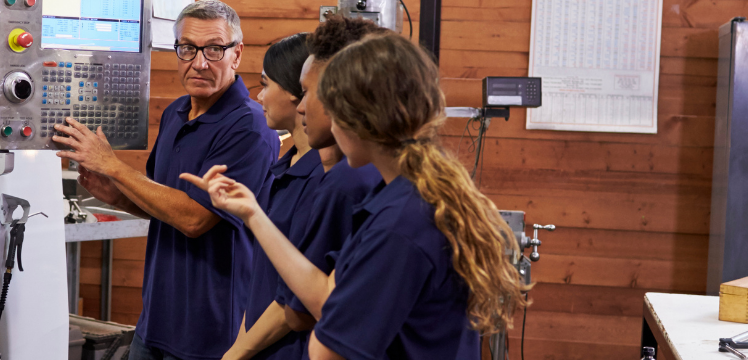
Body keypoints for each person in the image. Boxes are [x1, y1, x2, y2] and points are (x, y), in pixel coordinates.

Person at [183, 34, 530, 359]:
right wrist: (253, 215)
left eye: (327, 104)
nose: (310, 112)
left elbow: (326, 348)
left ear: (358, 115)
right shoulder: (398, 193)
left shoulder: (398, 224)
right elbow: (326, 293)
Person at [51, 1, 280, 359]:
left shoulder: (250, 126)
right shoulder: (176, 112)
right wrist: (117, 196)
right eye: (188, 48)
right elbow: (165, 208)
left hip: (212, 334)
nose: (199, 63)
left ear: (237, 54)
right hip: (156, 322)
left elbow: (194, 219)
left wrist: (113, 166)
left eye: (214, 49)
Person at [222, 17, 390, 360]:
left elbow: (301, 310)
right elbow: (282, 283)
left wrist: (236, 353)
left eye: (308, 93)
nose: (301, 107)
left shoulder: (348, 181)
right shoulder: (297, 168)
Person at [224, 32, 321, 360]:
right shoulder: (285, 165)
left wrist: (237, 353)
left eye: (266, 85)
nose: (260, 97)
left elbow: (296, 302)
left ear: (297, 94)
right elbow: (264, 281)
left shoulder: (324, 178)